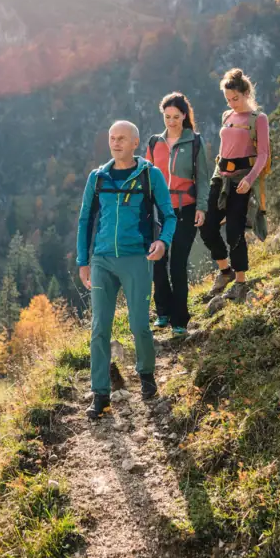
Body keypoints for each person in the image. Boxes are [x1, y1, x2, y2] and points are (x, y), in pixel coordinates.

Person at [77, 120, 177, 419]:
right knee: (99, 329)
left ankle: (146, 376)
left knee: (139, 325)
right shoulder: (97, 178)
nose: (115, 143)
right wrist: (83, 261)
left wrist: (162, 242)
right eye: (111, 138)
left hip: (137, 258)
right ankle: (100, 394)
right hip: (102, 260)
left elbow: (169, 216)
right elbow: (85, 221)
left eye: (121, 138)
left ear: (135, 143)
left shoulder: (150, 175)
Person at [200, 68, 270, 302]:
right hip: (221, 178)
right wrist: (216, 176)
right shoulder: (226, 116)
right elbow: (222, 150)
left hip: (242, 180)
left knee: (234, 231)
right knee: (207, 226)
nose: (232, 103)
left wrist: (249, 180)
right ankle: (225, 271)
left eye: (235, 98)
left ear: (246, 93)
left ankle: (240, 281)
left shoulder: (258, 119)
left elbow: (263, 155)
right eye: (228, 99)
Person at [145, 92, 209, 337]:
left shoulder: (194, 142)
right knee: (158, 261)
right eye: (167, 116)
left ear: (184, 115)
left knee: (178, 264)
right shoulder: (154, 143)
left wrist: (202, 207)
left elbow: (203, 178)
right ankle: (163, 312)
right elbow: (147, 177)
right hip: (159, 210)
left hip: (186, 209)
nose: (171, 121)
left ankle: (180, 319)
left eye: (176, 116)